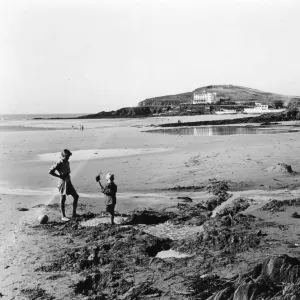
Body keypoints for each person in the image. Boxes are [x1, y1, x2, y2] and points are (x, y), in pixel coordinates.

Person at [49, 149, 79, 221]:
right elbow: (50, 171)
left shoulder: (67, 162)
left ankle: (74, 214)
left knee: (76, 196)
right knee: (63, 199)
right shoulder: (59, 163)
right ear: (63, 156)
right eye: (67, 156)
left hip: (68, 181)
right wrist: (59, 176)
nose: (68, 158)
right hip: (63, 182)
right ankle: (63, 216)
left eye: (69, 156)